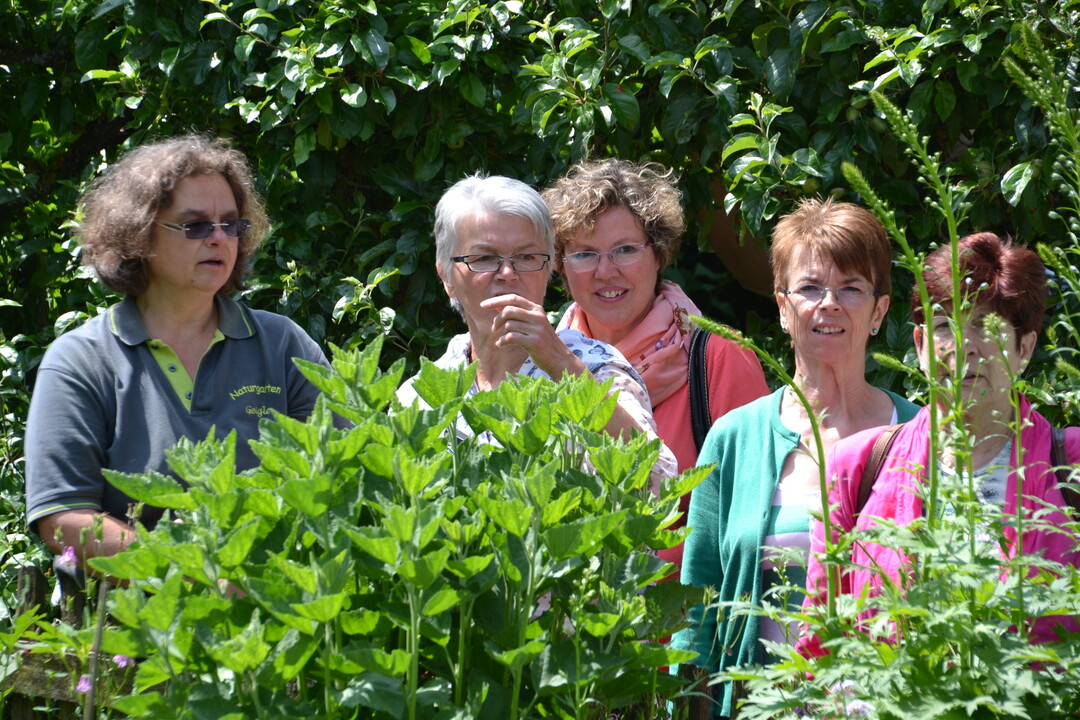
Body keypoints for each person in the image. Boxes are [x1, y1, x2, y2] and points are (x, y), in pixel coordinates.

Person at [24, 134, 334, 570]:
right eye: (195, 226)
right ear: (140, 235)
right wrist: (193, 575)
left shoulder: (283, 345)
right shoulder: (80, 360)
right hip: (133, 626)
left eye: (232, 224)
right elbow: (64, 518)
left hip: (275, 615)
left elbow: (343, 469)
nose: (219, 239)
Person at [670, 198, 919, 718]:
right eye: (809, 288)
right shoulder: (733, 438)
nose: (829, 303)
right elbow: (695, 615)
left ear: (878, 311)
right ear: (783, 308)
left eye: (851, 288)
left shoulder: (924, 436)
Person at [802, 232, 1080, 651]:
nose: (962, 348)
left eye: (985, 326)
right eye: (944, 326)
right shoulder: (856, 465)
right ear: (919, 344)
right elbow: (821, 641)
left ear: (1024, 349)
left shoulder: (1071, 464)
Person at [542, 159, 769, 573]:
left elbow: (753, 517)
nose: (605, 271)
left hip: (684, 624)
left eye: (625, 249)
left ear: (659, 254)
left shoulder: (719, 359)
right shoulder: (541, 366)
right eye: (584, 254)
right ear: (560, 265)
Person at [397, 172, 677, 482]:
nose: (507, 273)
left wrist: (561, 365)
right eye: (485, 258)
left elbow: (658, 479)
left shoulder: (595, 367)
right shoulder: (421, 395)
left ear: (548, 271)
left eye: (527, 256)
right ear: (447, 277)